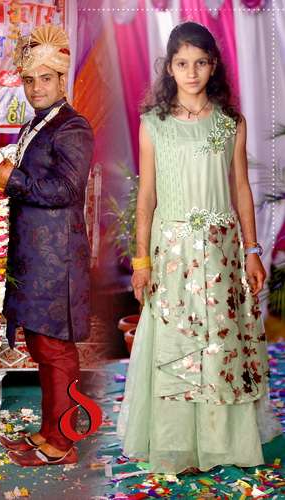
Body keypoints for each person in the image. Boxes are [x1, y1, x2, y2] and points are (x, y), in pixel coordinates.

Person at [118, 21, 280, 475]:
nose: (191, 73)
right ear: (169, 68)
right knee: (178, 344)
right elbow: (146, 195)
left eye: (201, 63)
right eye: (182, 63)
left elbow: (241, 188)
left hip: (221, 251)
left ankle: (221, 443)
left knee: (220, 342)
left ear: (214, 66)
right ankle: (178, 447)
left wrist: (252, 250)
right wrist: (141, 261)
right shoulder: (153, 125)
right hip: (171, 254)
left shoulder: (230, 123)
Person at [0, 25, 96, 466]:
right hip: (35, 256)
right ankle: (50, 431)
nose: (36, 88)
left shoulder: (73, 126)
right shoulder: (37, 123)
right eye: (29, 80)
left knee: (54, 349)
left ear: (61, 79)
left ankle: (61, 443)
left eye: (45, 79)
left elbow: (67, 189)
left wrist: (11, 178)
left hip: (57, 260)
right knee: (41, 346)